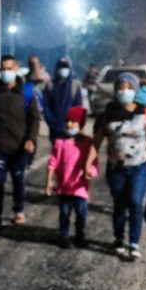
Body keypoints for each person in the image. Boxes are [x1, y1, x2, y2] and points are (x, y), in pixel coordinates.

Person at [93, 72, 146, 261]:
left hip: (139, 167)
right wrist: (88, 164)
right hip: (115, 168)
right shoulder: (107, 113)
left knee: (135, 202)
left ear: (135, 90)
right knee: (119, 205)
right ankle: (119, 238)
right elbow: (97, 142)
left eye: (128, 88)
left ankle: (134, 243)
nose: (124, 91)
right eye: (120, 88)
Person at [0, 54, 41, 232]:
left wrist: (31, 139)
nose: (6, 72)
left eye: (9, 69)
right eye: (3, 69)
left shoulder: (27, 92)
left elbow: (35, 118)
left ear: (16, 69)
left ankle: (18, 209)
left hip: (20, 147)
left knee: (19, 179)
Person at [45, 105, 97, 248]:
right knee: (64, 213)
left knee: (81, 213)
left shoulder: (87, 143)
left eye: (73, 121)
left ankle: (79, 234)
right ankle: (64, 236)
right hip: (64, 187)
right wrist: (49, 181)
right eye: (67, 121)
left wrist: (91, 171)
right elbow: (53, 162)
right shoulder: (60, 142)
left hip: (80, 187)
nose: (69, 124)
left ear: (80, 124)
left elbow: (94, 162)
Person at [42, 56, 85, 145]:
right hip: (55, 130)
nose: (63, 69)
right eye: (61, 67)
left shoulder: (74, 86)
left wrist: (73, 124)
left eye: (66, 67)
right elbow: (46, 108)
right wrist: (54, 123)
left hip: (71, 129)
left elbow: (78, 108)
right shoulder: (50, 86)